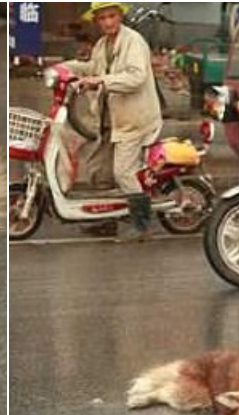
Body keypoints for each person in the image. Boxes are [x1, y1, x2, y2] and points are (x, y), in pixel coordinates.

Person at [63, 1, 163, 242]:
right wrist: (63, 68)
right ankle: (106, 221)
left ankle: (142, 225)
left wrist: (101, 81)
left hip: (134, 119)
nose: (108, 22)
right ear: (97, 21)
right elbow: (92, 68)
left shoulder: (134, 42)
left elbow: (136, 76)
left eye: (111, 16)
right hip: (109, 120)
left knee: (124, 173)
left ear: (119, 16)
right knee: (98, 170)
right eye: (102, 18)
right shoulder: (101, 45)